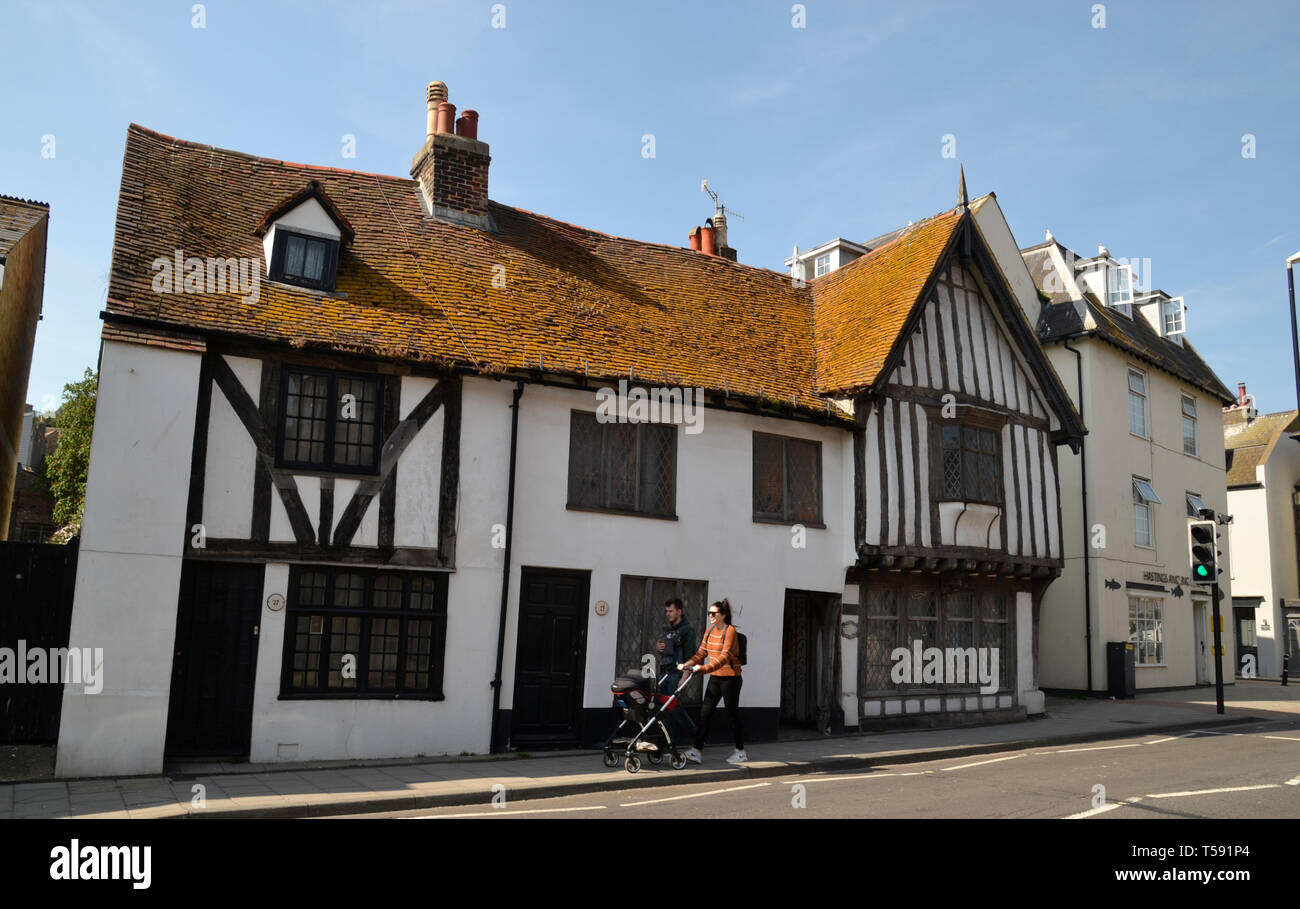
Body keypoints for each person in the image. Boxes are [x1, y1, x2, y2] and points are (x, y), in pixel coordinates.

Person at [678, 598, 746, 763]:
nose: (710, 616)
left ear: (723, 615)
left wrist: (703, 669)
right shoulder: (709, 631)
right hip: (716, 678)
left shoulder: (729, 631)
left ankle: (740, 752)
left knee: (732, 715)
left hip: (731, 679)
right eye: (709, 613)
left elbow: (724, 657)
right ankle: (696, 750)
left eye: (713, 613)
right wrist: (686, 665)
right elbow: (701, 653)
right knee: (705, 714)